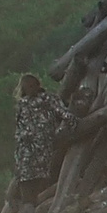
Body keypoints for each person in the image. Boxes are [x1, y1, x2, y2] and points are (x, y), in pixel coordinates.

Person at [9, 74, 72, 202]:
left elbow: (64, 114)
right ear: (23, 89)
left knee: (36, 182)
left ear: (38, 86)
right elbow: (20, 129)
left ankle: (30, 209)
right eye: (27, 87)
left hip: (42, 149)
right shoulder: (23, 104)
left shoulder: (48, 99)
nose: (30, 89)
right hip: (26, 151)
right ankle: (26, 211)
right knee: (26, 184)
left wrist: (69, 126)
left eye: (32, 86)